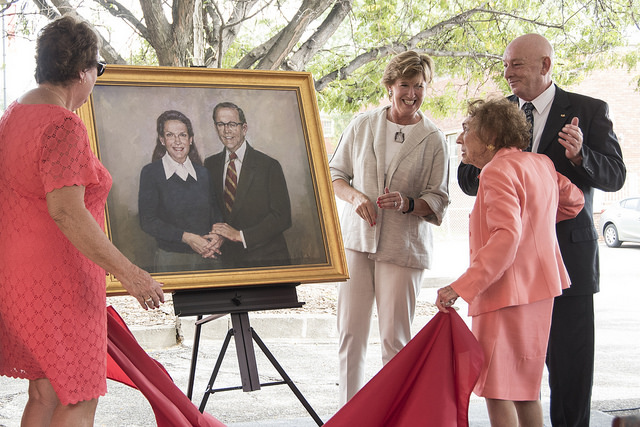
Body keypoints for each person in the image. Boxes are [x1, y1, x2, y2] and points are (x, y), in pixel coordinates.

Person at [0, 16, 164, 426]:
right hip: (60, 283)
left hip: (17, 279)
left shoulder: (13, 116)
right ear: (81, 72)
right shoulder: (63, 125)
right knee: (79, 396)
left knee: (45, 393)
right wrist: (130, 273)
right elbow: (66, 210)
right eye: (99, 70)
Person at [457, 34, 626, 426]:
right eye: (505, 64)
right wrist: (501, 165)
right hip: (510, 275)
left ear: (545, 65)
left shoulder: (589, 109)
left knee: (569, 369)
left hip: (566, 261)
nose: (507, 72)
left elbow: (615, 176)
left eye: (516, 64)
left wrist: (582, 155)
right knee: (516, 374)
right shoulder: (496, 116)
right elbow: (469, 179)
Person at [437, 97, 585, 426]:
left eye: (466, 130)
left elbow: (506, 238)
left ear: (490, 136)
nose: (460, 139)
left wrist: (460, 287)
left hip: (504, 294)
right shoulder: (541, 163)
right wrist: (538, 222)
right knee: (526, 389)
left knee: (498, 389)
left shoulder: (495, 171)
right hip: (540, 290)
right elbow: (575, 200)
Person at [329, 50, 450, 405]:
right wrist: (356, 199)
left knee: (394, 340)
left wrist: (409, 203)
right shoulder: (361, 125)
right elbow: (335, 175)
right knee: (350, 334)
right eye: (405, 85)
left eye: (419, 86)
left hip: (403, 248)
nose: (411, 93)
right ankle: (347, 414)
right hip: (356, 243)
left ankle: (393, 415)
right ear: (389, 86)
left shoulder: (434, 138)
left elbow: (439, 198)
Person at [204, 102, 292, 268]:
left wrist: (240, 235)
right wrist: (217, 234)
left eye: (232, 124)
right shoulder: (210, 164)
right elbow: (211, 209)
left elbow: (282, 217)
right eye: (220, 124)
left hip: (267, 261)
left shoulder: (269, 166)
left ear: (244, 128)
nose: (226, 130)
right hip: (227, 262)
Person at [138, 110, 223, 272]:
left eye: (182, 135)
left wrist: (218, 237)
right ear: (162, 140)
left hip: (209, 256)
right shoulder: (151, 173)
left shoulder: (203, 173)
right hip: (172, 259)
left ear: (190, 139)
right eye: (170, 135)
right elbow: (148, 221)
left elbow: (216, 211)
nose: (177, 141)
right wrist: (188, 238)